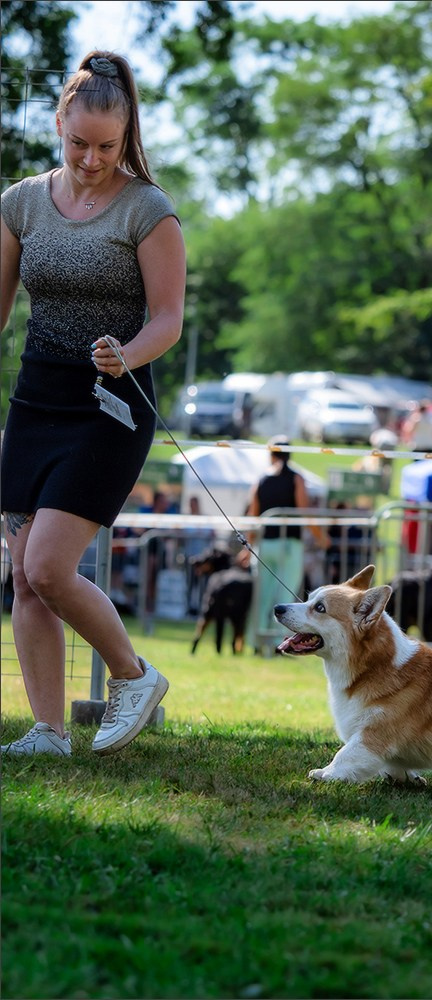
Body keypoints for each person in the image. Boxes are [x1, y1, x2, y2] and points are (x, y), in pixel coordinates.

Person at [1, 51, 186, 756]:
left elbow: (168, 318)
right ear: (59, 125)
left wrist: (125, 354)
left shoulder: (148, 208)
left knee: (49, 566)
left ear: (126, 134)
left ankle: (133, 676)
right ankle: (48, 730)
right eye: (78, 143)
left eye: (106, 146)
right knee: (23, 574)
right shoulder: (19, 203)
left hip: (111, 403)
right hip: (37, 398)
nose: (90, 159)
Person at [238, 437, 329, 654]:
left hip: (265, 545)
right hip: (289, 546)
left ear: (271, 454)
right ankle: (277, 644)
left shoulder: (260, 479)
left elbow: (254, 514)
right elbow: (304, 512)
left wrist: (247, 546)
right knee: (284, 597)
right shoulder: (296, 479)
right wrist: (321, 538)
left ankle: (257, 642)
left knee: (263, 596)